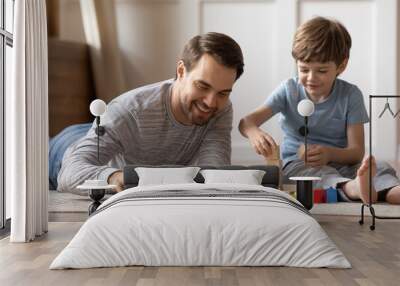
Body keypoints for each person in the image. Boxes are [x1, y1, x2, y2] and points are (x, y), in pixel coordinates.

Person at [56, 32, 244, 194]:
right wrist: (113, 176)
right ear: (181, 71)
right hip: (67, 145)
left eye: (223, 93)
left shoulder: (221, 109)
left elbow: (213, 172)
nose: (211, 102)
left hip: (106, 131)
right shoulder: (128, 111)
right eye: (202, 86)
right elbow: (69, 173)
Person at [239, 16, 400, 204]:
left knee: (379, 167)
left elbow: (356, 151)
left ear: (341, 65)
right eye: (304, 69)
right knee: (312, 175)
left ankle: (391, 191)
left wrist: (330, 154)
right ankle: (354, 188)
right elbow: (246, 122)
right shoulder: (288, 90)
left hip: (344, 163)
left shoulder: (350, 95)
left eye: (322, 71)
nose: (311, 78)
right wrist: (254, 133)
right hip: (300, 164)